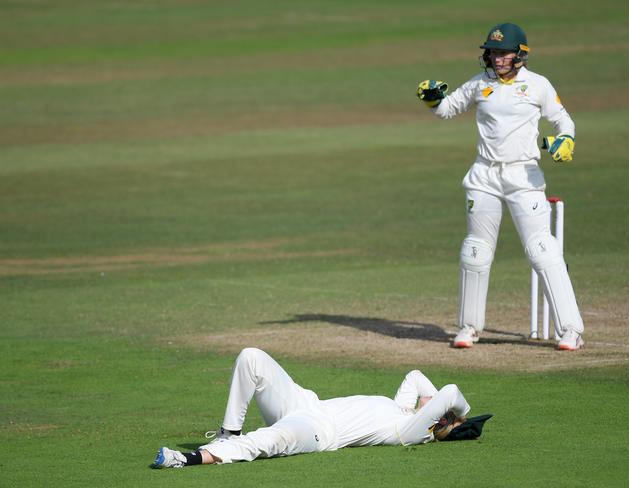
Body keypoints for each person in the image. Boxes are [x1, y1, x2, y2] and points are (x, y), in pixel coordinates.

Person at [416, 22, 584, 351]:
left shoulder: (537, 85)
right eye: (492, 53)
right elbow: (449, 108)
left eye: (502, 53)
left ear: (519, 54)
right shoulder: (480, 84)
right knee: (475, 251)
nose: (496, 59)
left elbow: (564, 120)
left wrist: (566, 140)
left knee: (542, 249)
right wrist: (433, 100)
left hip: (524, 176)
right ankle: (468, 327)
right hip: (485, 175)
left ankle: (570, 329)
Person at [153, 347, 491, 468]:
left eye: (451, 419)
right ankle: (229, 433)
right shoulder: (403, 411)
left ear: (441, 425)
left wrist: (457, 412)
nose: (447, 414)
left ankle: (193, 458)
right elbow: (415, 376)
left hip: (319, 432)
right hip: (306, 403)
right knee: (251, 357)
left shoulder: (411, 432)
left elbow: (451, 392)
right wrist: (430, 403)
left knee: (268, 441)